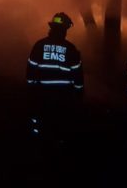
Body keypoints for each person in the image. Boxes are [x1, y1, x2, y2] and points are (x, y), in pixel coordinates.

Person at [26, 12, 84, 146]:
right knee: (60, 125)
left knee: (41, 123)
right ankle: (59, 146)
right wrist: (79, 94)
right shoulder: (71, 49)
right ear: (65, 29)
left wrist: (31, 90)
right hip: (63, 97)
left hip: (42, 95)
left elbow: (30, 71)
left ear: (52, 27)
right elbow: (78, 76)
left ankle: (38, 144)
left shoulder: (39, 45)